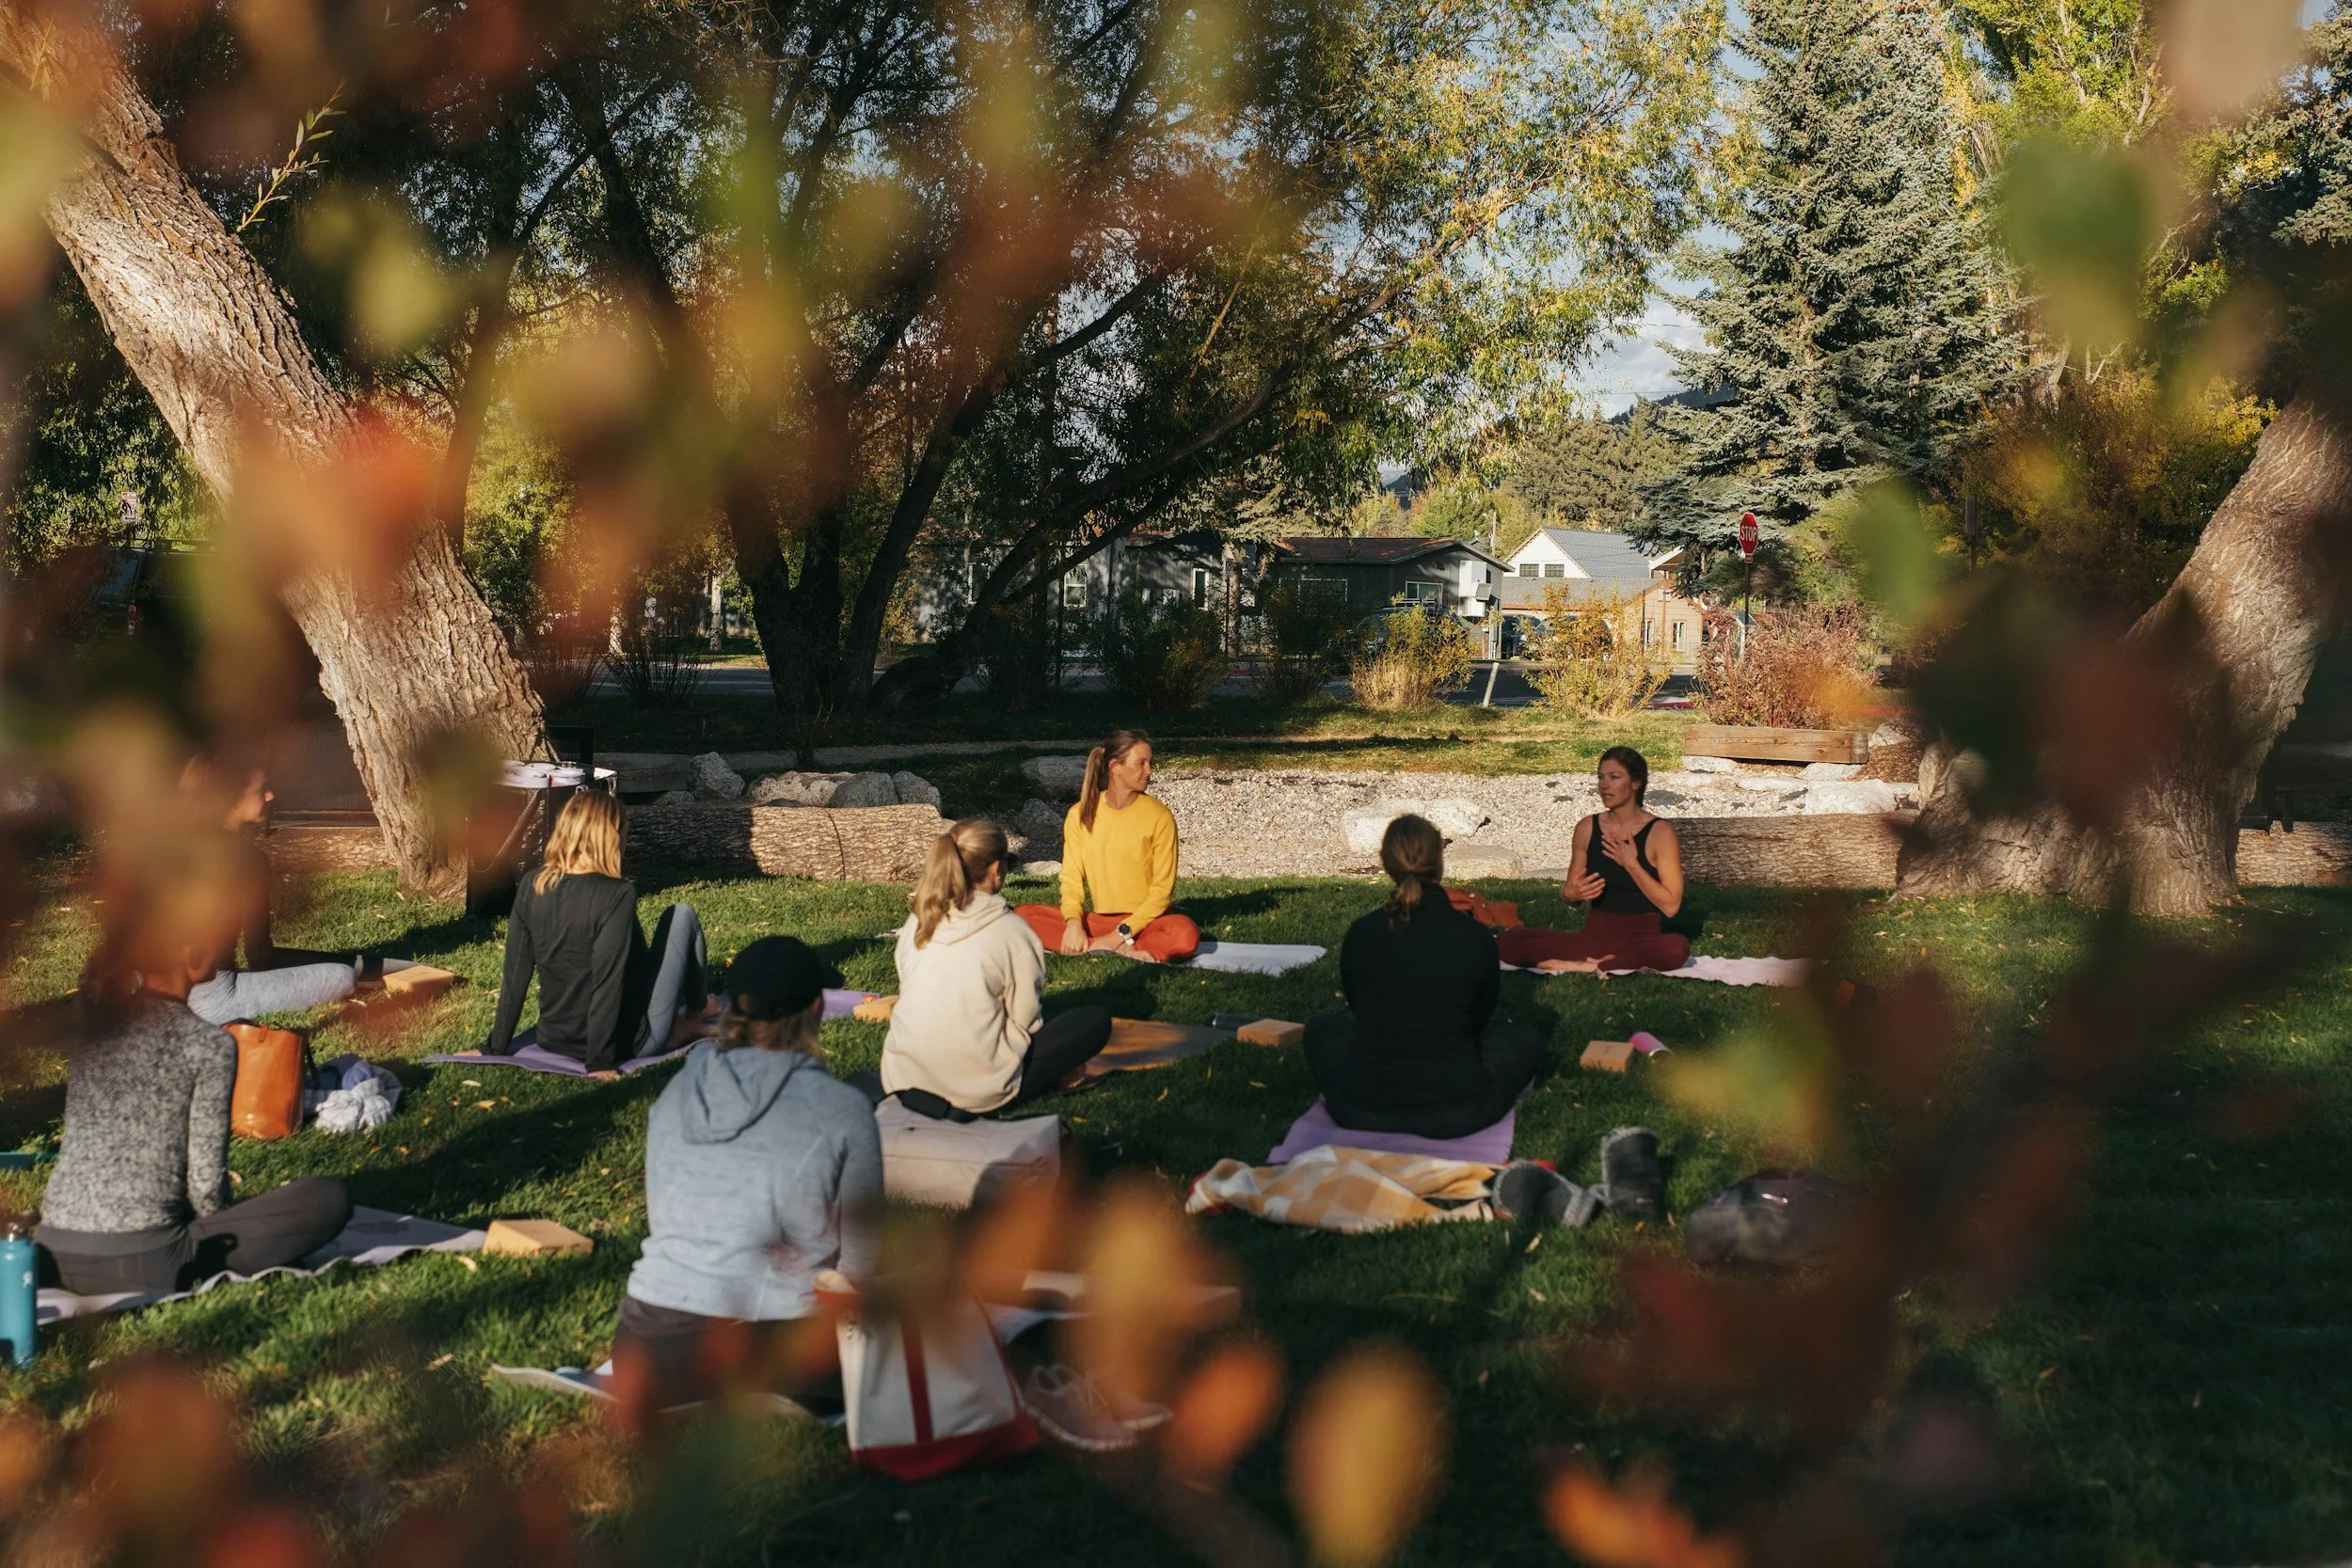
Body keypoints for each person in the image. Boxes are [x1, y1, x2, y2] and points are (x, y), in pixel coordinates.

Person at [40, 878, 351, 1296]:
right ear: (191, 956)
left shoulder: (96, 1030)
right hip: (147, 1261)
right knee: (330, 1196)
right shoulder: (208, 1044)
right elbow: (206, 1186)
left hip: (53, 1250)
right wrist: (219, 1222)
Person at [611, 936, 882, 1411]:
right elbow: (861, 1266)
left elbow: (668, 1219)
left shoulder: (674, 1095)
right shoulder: (843, 1109)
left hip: (646, 1347)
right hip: (773, 1351)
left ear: (732, 1009)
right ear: (816, 1010)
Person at [1302, 815, 1545, 1140]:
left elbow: (1360, 1010)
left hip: (1362, 1107)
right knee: (1523, 1038)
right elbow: (1479, 1020)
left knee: (1323, 1028)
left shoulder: (1363, 932)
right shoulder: (1474, 936)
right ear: (1439, 862)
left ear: (1386, 863)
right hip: (1459, 1109)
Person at [883, 818, 1114, 1117]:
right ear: (995, 869)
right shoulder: (1011, 931)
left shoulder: (918, 922)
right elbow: (1025, 1022)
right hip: (976, 1090)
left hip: (903, 1079)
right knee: (1093, 1021)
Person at [485, 790, 710, 1076]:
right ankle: (697, 1011)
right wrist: (600, 1063)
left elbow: (515, 976)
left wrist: (495, 1047)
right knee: (681, 914)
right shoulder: (617, 894)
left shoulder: (532, 884)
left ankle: (684, 1025)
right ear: (611, 836)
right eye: (625, 831)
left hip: (552, 1038)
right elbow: (607, 982)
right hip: (628, 1044)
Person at [180, 762, 362, 1026]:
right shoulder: (247, 859)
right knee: (341, 977)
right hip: (212, 998)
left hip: (156, 994)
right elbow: (258, 955)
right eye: (261, 790)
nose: (270, 796)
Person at [1496, 746, 1691, 975]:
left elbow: (1671, 906)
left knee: (1677, 947)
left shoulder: (1660, 833)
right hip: (1592, 940)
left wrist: (1631, 864)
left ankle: (1597, 966)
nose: (1604, 785)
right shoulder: (1587, 827)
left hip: (1641, 941)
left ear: (1636, 783)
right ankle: (1612, 963)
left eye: (1614, 777)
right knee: (1507, 942)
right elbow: (1570, 895)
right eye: (1601, 777)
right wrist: (1572, 894)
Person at [1014, 730, 1200, 964]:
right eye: (1141, 763)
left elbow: (1162, 892)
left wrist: (1119, 934)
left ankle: (1099, 946)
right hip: (1098, 922)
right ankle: (1110, 947)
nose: (1149, 771)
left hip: (1146, 923)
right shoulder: (1080, 815)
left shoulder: (1159, 817)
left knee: (1184, 934)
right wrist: (1073, 923)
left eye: (1150, 763)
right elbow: (1071, 877)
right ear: (1115, 767)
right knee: (1021, 917)